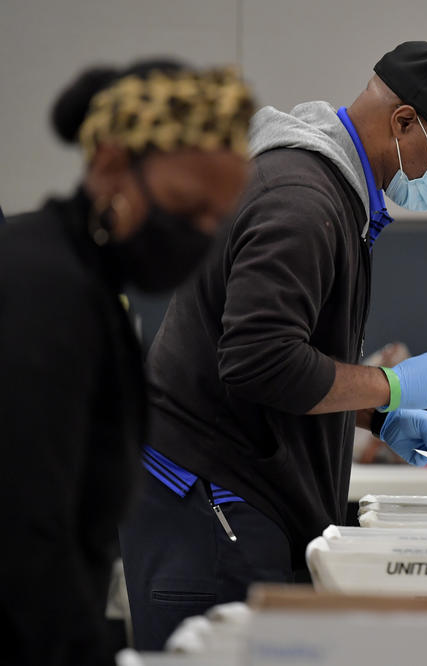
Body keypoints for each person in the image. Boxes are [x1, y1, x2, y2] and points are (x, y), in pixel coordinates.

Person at [119, 41, 427, 649]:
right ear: (404, 121)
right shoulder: (301, 202)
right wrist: (393, 384)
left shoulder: (325, 191)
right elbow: (260, 363)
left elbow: (268, 354)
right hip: (211, 503)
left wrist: (376, 416)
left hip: (233, 495)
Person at [0, 60, 254, 665]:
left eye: (213, 221)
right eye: (185, 206)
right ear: (112, 163)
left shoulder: (87, 284)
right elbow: (23, 528)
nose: (197, 235)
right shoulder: (42, 289)